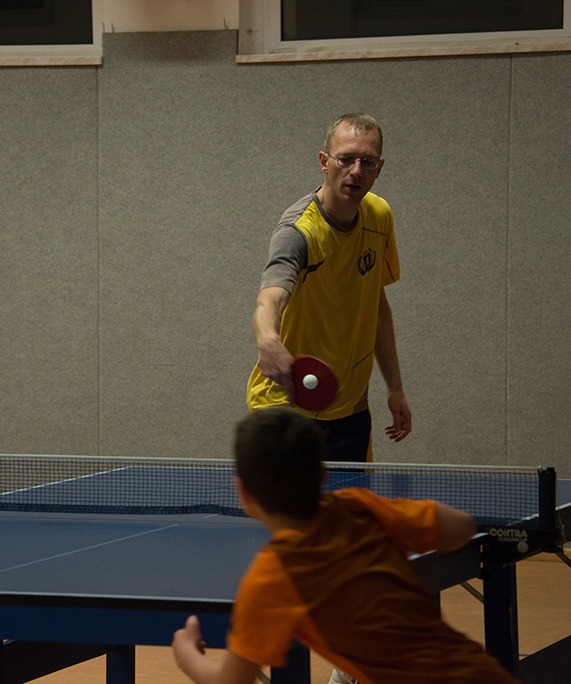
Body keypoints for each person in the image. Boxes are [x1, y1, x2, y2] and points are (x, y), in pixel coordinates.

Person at [171, 408, 520, 684]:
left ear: (243, 493)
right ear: (324, 475)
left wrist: (186, 654)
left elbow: (231, 681)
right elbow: (462, 527)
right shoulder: (359, 507)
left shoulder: (271, 578)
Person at [247, 113, 412, 463]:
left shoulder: (379, 216)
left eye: (367, 162)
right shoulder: (299, 232)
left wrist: (395, 388)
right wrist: (267, 339)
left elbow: (376, 305)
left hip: (350, 411)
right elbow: (270, 298)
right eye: (345, 159)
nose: (356, 171)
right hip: (286, 409)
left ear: (379, 169)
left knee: (351, 502)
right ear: (324, 162)